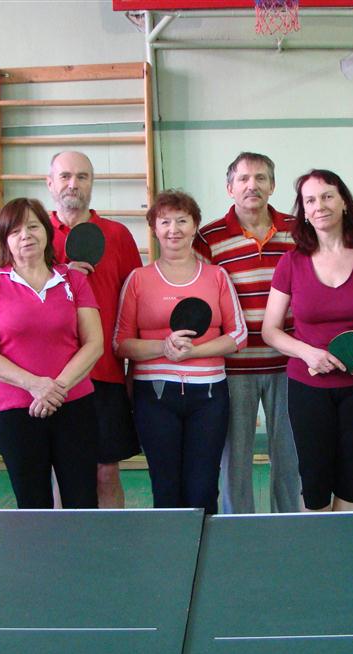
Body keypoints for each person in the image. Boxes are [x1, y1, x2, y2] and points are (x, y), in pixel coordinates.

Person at [115, 190, 247, 516]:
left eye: (182, 221)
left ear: (195, 226)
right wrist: (163, 347)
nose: (173, 229)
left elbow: (238, 336)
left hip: (210, 397)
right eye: (165, 222)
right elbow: (121, 342)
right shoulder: (138, 279)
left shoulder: (217, 276)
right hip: (154, 396)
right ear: (155, 229)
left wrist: (192, 351)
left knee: (203, 487)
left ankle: (205, 546)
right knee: (166, 486)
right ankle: (171, 546)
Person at [262, 170, 353, 512]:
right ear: (303, 211)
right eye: (311, 200)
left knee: (352, 476)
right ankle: (317, 546)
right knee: (314, 479)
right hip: (308, 386)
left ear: (344, 202)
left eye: (328, 196)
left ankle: (347, 545)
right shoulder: (291, 262)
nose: (320, 205)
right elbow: (270, 330)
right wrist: (308, 354)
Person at [0, 198, 103, 508]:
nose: (25, 235)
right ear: (5, 240)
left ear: (46, 231)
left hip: (75, 409)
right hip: (16, 414)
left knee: (83, 502)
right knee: (32, 506)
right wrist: (34, 385)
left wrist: (57, 389)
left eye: (33, 226)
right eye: (15, 231)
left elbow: (94, 342)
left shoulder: (73, 280)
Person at [194, 152, 301, 514]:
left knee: (289, 453)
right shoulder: (208, 238)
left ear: (273, 185)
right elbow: (202, 298)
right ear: (230, 188)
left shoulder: (298, 230)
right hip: (234, 367)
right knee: (235, 457)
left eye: (260, 178)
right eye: (243, 179)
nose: (252, 185)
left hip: (289, 363)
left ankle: (288, 521)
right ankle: (237, 527)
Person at [46, 150, 142, 508]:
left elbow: (135, 304)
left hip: (104, 373)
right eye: (65, 176)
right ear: (50, 183)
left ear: (92, 183)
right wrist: (63, 275)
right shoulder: (35, 235)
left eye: (82, 176)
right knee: (63, 471)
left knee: (106, 471)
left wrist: (134, 371)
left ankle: (111, 537)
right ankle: (64, 537)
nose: (73, 184)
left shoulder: (117, 235)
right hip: (51, 377)